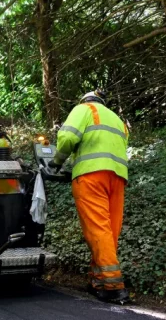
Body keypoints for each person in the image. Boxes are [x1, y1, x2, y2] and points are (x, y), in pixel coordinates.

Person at [48, 90, 130, 303]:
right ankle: (98, 281)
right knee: (110, 231)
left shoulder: (84, 109)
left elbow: (67, 137)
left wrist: (57, 162)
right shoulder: (116, 119)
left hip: (91, 178)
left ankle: (113, 285)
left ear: (85, 100)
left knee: (98, 229)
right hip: (118, 178)